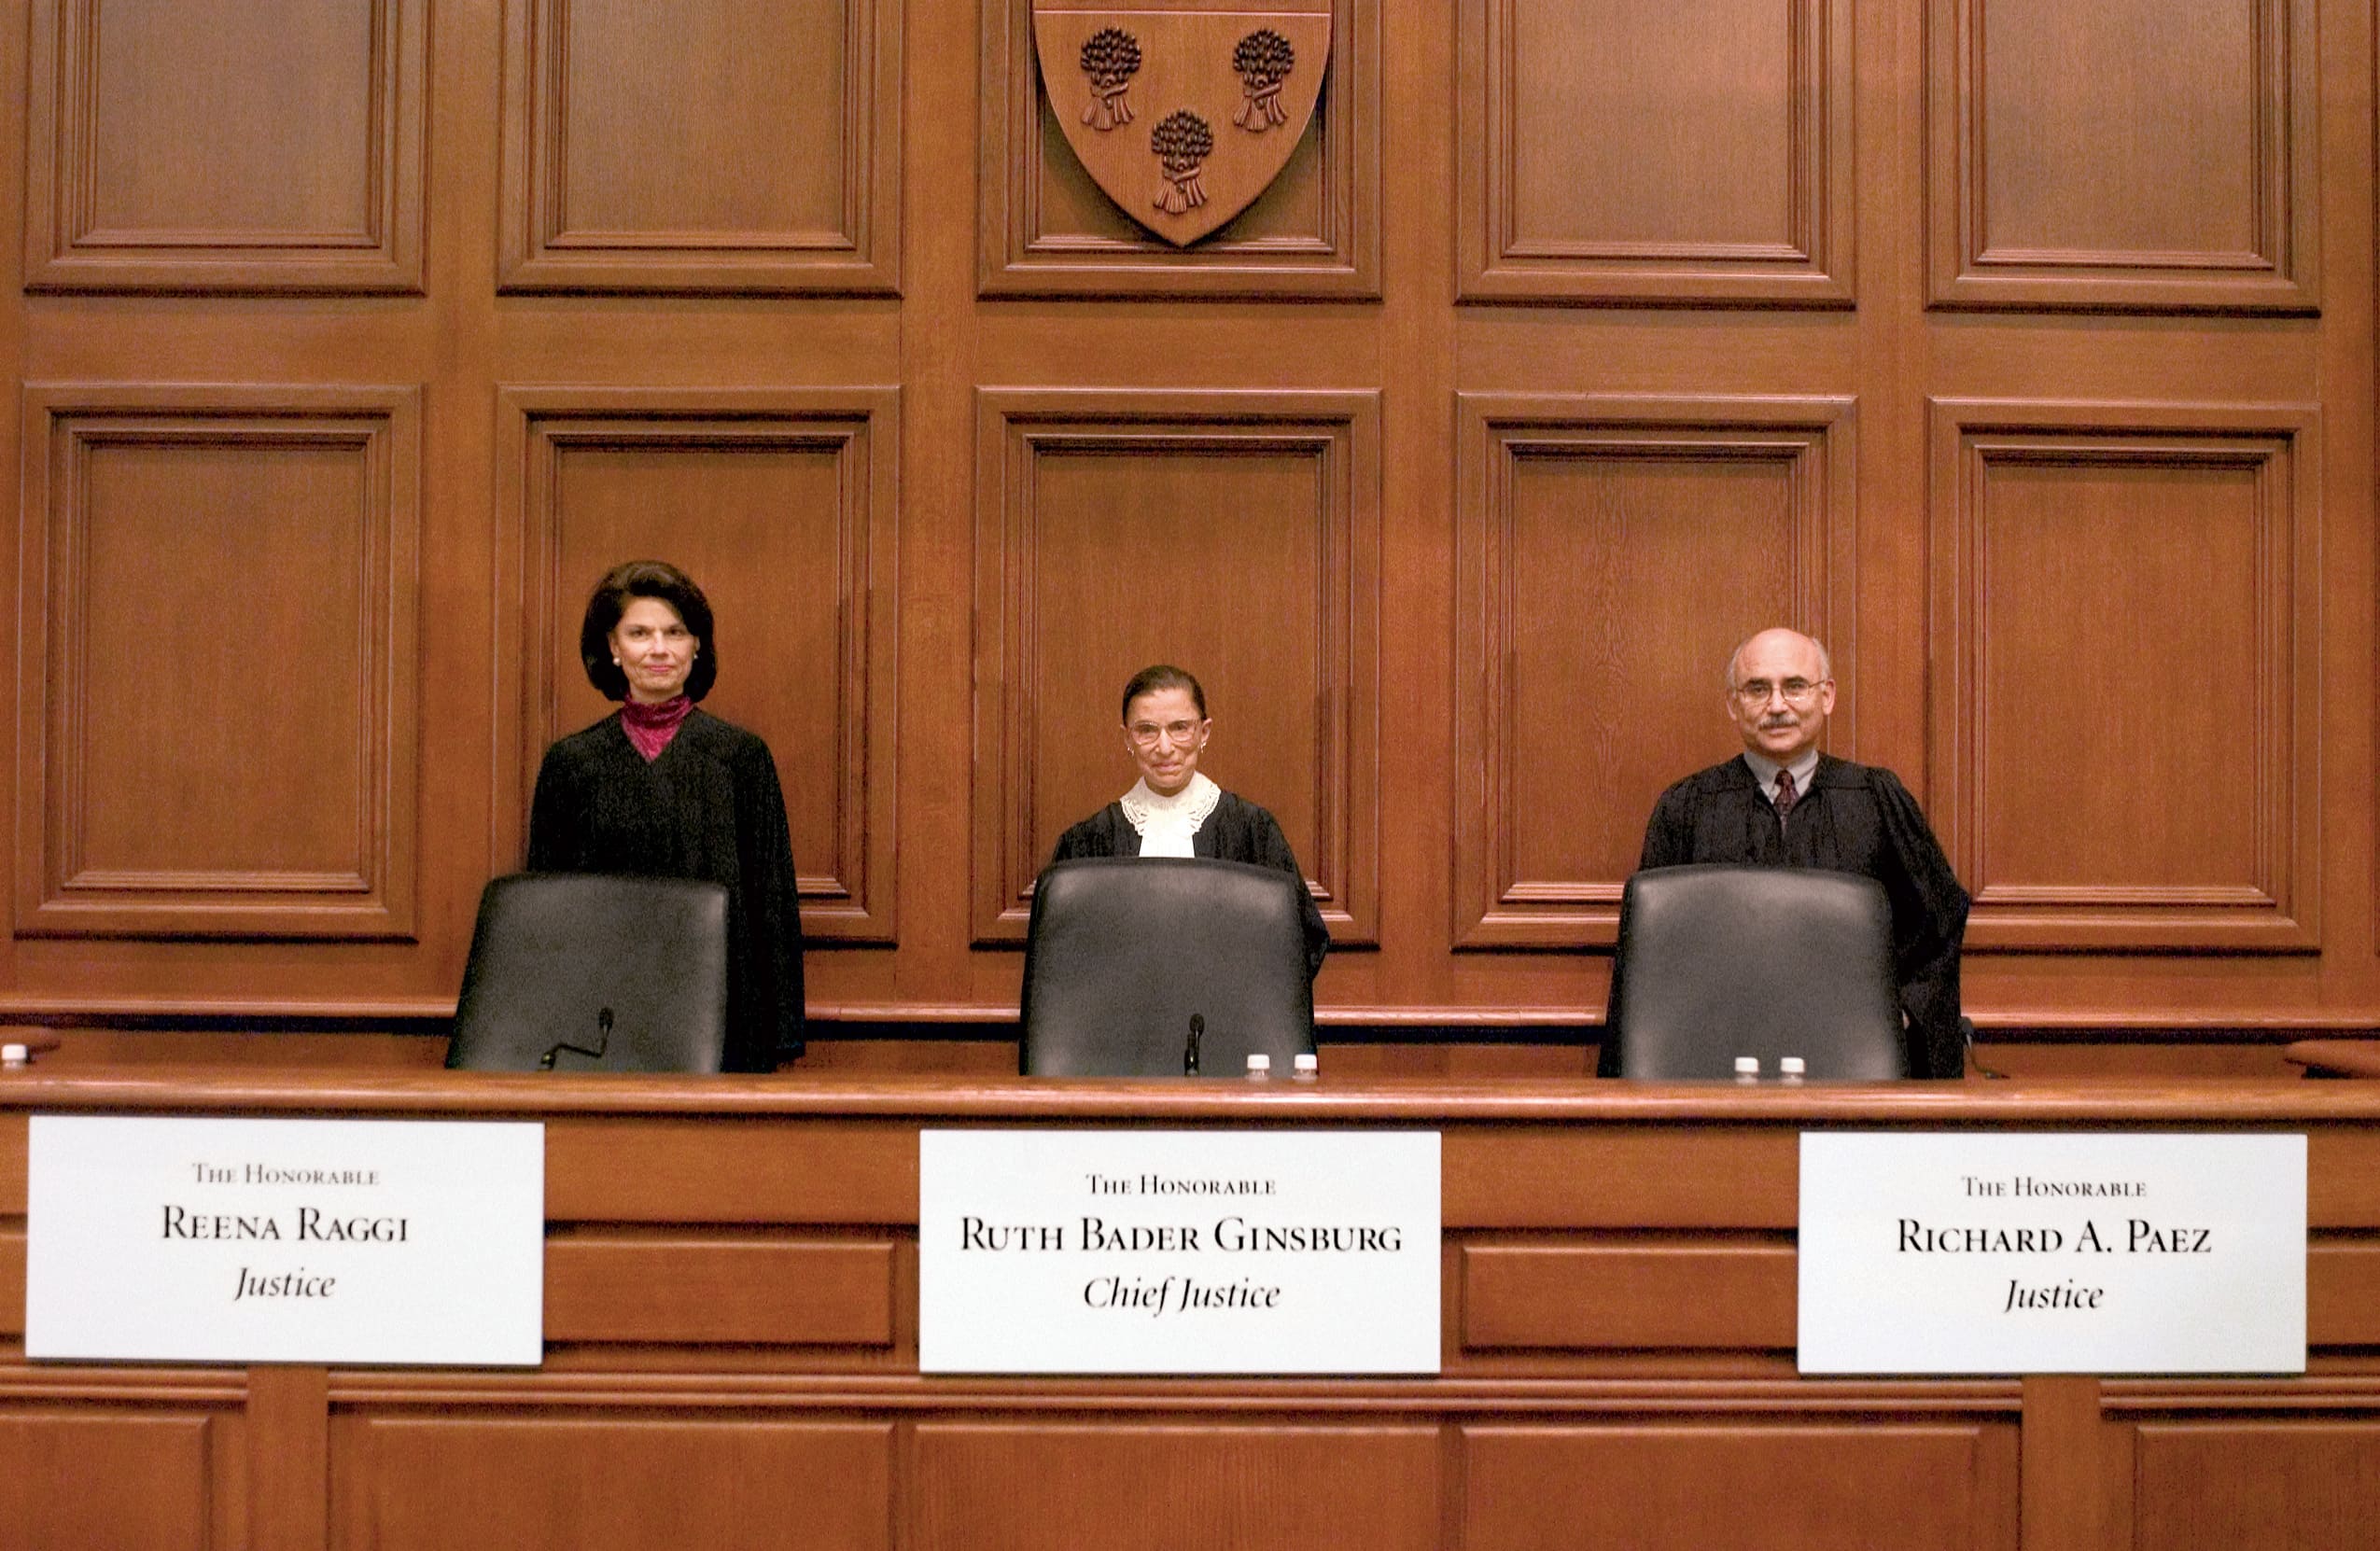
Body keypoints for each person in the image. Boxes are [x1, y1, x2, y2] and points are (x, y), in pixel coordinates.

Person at [1613, 627, 1969, 1078]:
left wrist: (1897, 1017)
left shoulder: (1877, 800)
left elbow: (1937, 923)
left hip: (1850, 1063)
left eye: (1795, 686)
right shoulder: (1687, 808)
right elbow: (1654, 950)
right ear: (1733, 704)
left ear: (1827, 696)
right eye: (1757, 689)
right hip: (1713, 1060)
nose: (1777, 705)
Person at [527, 561, 804, 1072]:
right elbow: (549, 913)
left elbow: (773, 903)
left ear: (696, 646)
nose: (659, 649)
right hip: (603, 1022)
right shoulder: (571, 764)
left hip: (723, 1020)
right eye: (639, 633)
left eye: (675, 632)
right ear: (612, 647)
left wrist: (780, 1037)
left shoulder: (741, 758)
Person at [1050, 664, 1329, 978]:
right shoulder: (1088, 842)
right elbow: (1063, 960)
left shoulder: (1252, 831)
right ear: (1127, 737)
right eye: (1147, 730)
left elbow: (1302, 942)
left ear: (1203, 732)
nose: (1164, 747)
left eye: (1180, 728)